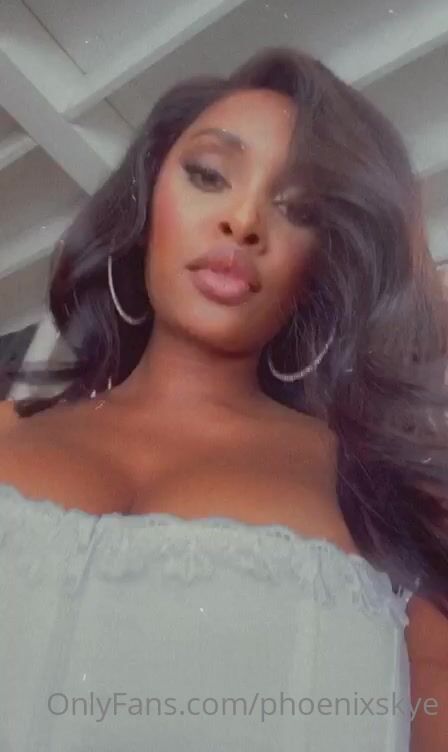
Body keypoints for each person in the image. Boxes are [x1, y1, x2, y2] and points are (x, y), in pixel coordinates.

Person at [0, 47, 447, 751]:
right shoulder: (7, 432)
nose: (244, 221)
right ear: (148, 201)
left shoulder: (385, 494)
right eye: (209, 174)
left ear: (323, 262)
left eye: (298, 207)